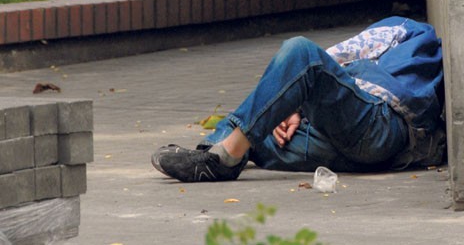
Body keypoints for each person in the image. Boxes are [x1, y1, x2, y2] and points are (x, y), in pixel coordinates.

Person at [151, 17, 446, 182]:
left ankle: (223, 158)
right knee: (258, 119)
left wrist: (295, 105)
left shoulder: (408, 28)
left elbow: (325, 59)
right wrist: (293, 110)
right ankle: (213, 156)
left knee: (300, 51)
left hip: (377, 124)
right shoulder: (427, 56)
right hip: (361, 147)